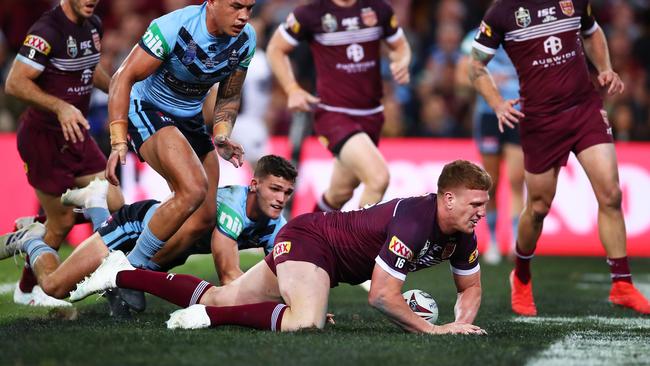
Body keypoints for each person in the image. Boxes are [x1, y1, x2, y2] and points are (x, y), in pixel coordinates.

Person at [71, 160, 490, 335]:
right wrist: (435, 330)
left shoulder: (462, 233)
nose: (480, 213)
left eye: (484, 205)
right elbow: (381, 296)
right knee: (306, 323)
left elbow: (469, 289)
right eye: (475, 204)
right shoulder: (416, 222)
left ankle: (119, 273)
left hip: (316, 249)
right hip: (313, 243)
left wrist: (462, 325)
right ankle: (211, 318)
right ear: (447, 199)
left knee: (222, 292)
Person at [470, 0, 650, 315]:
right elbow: (476, 65)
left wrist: (605, 67)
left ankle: (622, 283)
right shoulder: (501, 12)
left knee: (610, 193)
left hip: (584, 109)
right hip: (540, 120)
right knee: (538, 207)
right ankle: (522, 276)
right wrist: (497, 103)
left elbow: (592, 32)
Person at [0, 155, 296, 312]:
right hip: (136, 227)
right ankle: (31, 241)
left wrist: (298, 300)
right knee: (54, 287)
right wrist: (283, 310)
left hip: (161, 249)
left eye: (287, 192)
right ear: (254, 185)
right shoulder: (232, 206)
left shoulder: (276, 223)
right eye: (275, 189)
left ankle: (94, 203)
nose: (281, 199)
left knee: (128, 300)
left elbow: (280, 273)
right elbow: (230, 276)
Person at [103, 0, 254, 273]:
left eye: (250, 8)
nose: (243, 16)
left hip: (190, 117)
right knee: (193, 188)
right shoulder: (173, 27)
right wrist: (118, 140)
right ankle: (124, 269)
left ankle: (143, 273)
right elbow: (121, 78)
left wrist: (220, 134)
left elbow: (229, 96)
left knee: (205, 218)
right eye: (236, 6)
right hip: (148, 108)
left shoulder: (246, 40)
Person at [4, 0, 124, 306]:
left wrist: (115, 89)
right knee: (62, 223)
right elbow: (15, 82)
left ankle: (40, 221)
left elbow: (90, 65)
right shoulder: (46, 30)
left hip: (76, 135)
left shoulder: (93, 25)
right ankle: (30, 290)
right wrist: (61, 106)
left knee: (115, 203)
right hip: (43, 139)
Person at [266, 0, 411, 213]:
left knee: (340, 192)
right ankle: (361, 244)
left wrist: (401, 61)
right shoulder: (311, 13)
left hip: (372, 115)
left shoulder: (378, 9)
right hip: (334, 115)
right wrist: (292, 88)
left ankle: (308, 237)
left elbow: (400, 46)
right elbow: (275, 48)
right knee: (378, 178)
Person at [456, 27, 524, 265]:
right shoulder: (475, 36)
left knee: (517, 178)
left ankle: (517, 240)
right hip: (488, 115)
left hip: (517, 113)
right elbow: (461, 73)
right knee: (491, 181)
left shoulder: (523, 31)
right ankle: (494, 241)